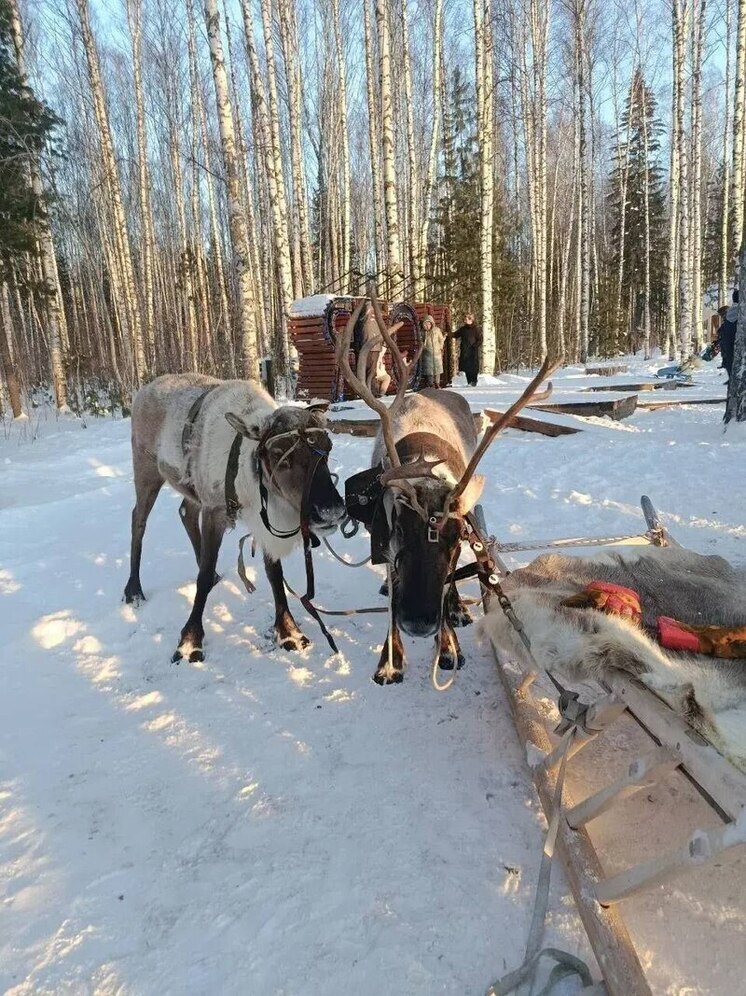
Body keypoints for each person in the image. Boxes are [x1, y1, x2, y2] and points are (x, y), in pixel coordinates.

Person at [354, 301, 384, 396]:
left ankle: (373, 391)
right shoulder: (362, 321)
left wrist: (381, 345)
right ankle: (364, 391)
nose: (371, 311)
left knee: (372, 371)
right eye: (369, 309)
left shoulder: (377, 321)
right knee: (365, 370)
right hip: (365, 348)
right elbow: (358, 334)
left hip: (375, 348)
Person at [450, 312, 482, 387]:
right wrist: (448, 334)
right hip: (465, 350)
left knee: (473, 367)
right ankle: (469, 381)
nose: (465, 320)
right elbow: (455, 334)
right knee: (467, 367)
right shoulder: (463, 329)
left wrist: (475, 346)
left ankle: (474, 381)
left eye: (467, 319)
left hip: (473, 351)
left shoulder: (476, 329)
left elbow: (480, 339)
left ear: (471, 320)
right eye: (465, 319)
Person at [419, 314, 445, 389]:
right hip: (427, 354)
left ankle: (437, 383)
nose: (427, 325)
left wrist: (440, 347)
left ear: (432, 323)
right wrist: (424, 347)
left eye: (429, 323)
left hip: (437, 353)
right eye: (425, 324)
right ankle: (430, 383)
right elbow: (420, 342)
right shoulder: (423, 332)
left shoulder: (436, 330)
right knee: (429, 370)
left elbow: (441, 339)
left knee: (437, 369)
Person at [719, 289, 739, 382]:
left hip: (727, 344)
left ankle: (731, 380)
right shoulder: (740, 312)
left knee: (729, 362)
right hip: (733, 343)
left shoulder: (730, 313)